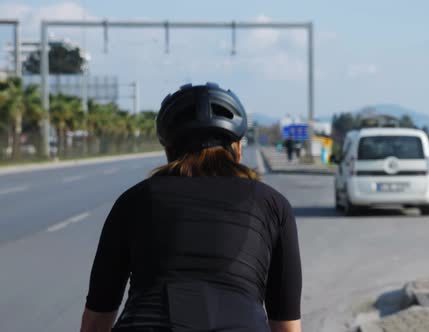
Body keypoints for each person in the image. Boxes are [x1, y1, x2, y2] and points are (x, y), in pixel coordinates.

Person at [80, 83, 302, 332]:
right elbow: (286, 325)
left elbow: (97, 318)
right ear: (238, 150)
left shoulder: (133, 200)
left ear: (168, 151)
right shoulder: (273, 205)